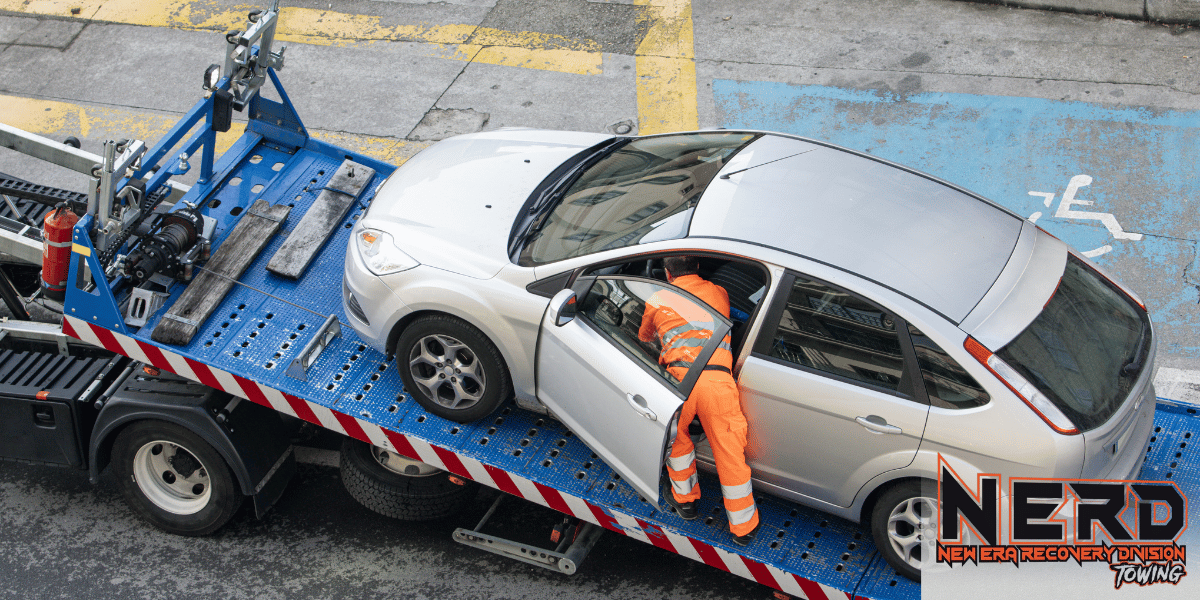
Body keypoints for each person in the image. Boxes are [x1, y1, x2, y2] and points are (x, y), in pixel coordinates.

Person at [638, 256, 760, 545]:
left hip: (679, 383)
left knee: (676, 442)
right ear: (696, 268)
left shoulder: (658, 297)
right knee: (729, 452)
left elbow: (644, 336)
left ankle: (686, 501)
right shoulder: (719, 292)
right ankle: (743, 528)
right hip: (717, 382)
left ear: (668, 273)